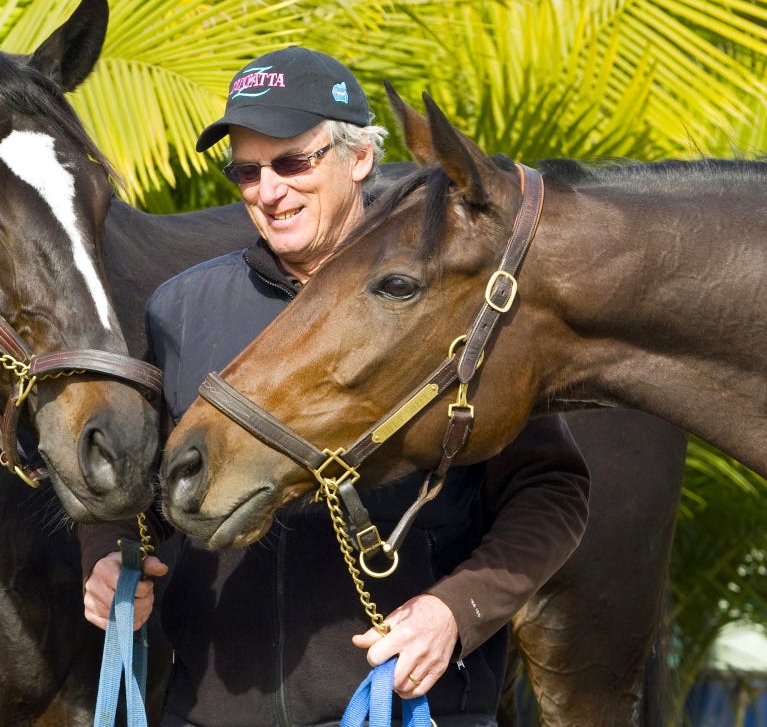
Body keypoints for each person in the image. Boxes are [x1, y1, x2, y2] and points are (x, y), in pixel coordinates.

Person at [80, 46, 590, 726]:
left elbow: (552, 489)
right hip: (207, 713)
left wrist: (456, 610)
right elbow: (133, 489)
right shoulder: (180, 308)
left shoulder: (448, 298)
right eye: (247, 171)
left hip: (409, 707)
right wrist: (111, 560)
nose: (270, 190)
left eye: (293, 161)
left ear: (359, 158)